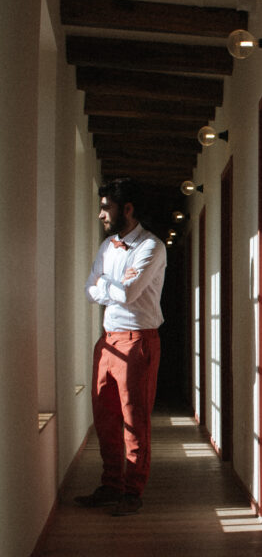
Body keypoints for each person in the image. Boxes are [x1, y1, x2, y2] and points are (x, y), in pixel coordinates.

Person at [76, 178, 167, 516]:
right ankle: (111, 484)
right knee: (105, 417)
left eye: (106, 207)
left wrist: (105, 285)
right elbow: (90, 289)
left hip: (138, 341)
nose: (101, 214)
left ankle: (132, 491)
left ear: (126, 209)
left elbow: (128, 294)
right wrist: (109, 285)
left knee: (134, 419)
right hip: (108, 340)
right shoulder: (107, 246)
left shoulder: (151, 247)